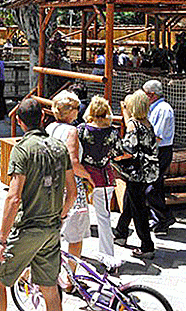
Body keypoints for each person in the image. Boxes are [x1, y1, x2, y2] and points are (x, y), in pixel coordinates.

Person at [0, 98, 77, 311]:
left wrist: (2, 240)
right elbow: (72, 193)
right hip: (51, 230)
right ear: (43, 117)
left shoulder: (22, 149)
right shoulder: (60, 147)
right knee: (49, 288)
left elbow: (13, 198)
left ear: (19, 121)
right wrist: (60, 216)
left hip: (28, 229)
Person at [46, 91, 94, 279]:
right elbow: (73, 162)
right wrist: (89, 176)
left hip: (50, 185)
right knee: (75, 236)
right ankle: (69, 278)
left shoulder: (49, 128)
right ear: (71, 111)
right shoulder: (71, 131)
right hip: (70, 186)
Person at [113, 90, 160, 259]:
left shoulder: (134, 125)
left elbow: (128, 150)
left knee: (138, 209)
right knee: (129, 201)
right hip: (147, 171)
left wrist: (114, 155)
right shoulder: (147, 123)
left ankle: (147, 246)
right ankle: (121, 233)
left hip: (136, 172)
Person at [77, 96, 121, 266]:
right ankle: (108, 255)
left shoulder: (81, 130)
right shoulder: (113, 132)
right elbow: (118, 153)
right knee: (104, 218)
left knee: (77, 214)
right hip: (104, 177)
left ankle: (73, 251)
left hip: (84, 177)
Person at [142, 79, 176, 234]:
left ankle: (165, 216)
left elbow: (157, 136)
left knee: (150, 188)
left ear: (151, 94)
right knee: (156, 186)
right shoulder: (154, 108)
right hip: (156, 150)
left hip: (160, 151)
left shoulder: (163, 109)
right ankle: (159, 219)